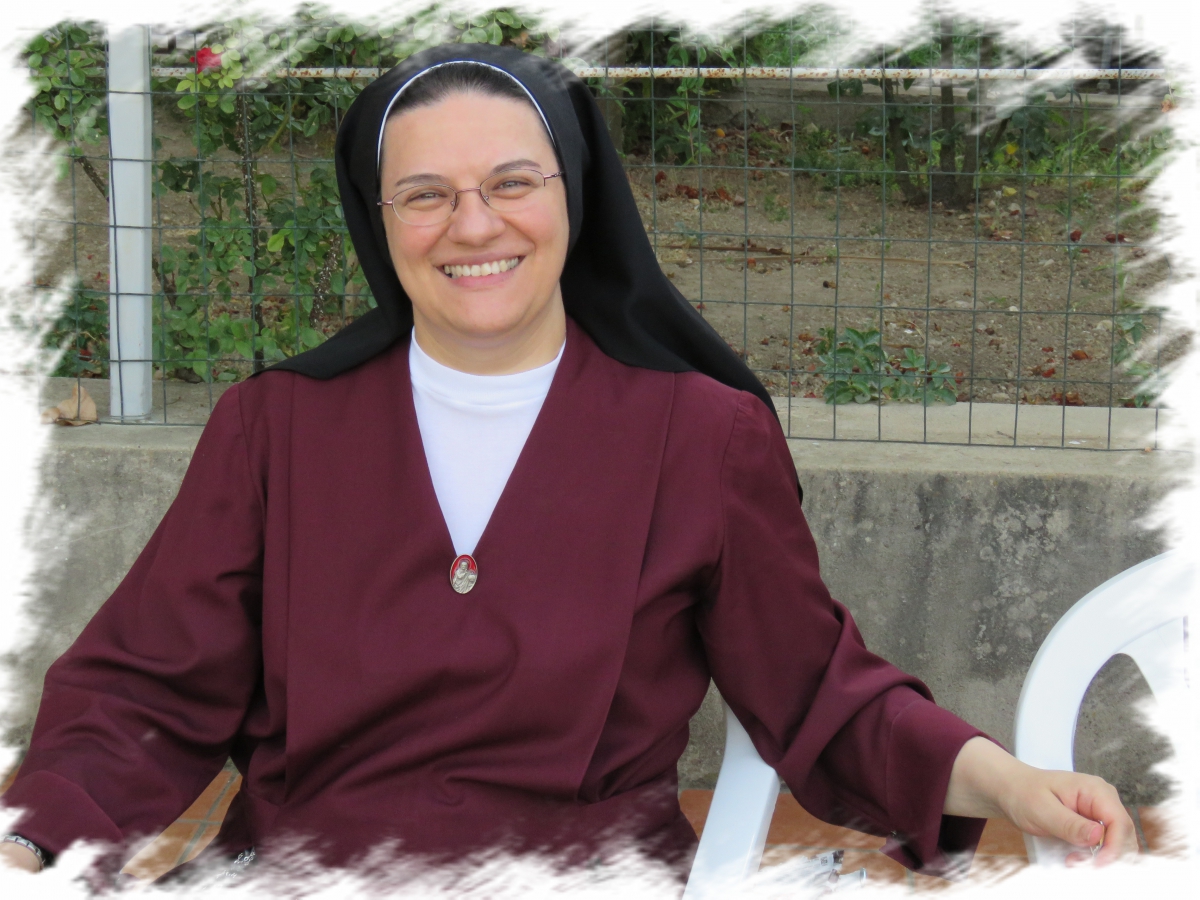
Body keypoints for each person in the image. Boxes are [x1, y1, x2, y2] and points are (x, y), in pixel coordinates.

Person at [1, 43, 1135, 883]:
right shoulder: (276, 428)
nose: (472, 225)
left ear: (572, 197)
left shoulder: (701, 438)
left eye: (512, 182)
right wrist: (32, 841)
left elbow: (816, 689)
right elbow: (142, 689)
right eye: (425, 194)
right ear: (379, 219)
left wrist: (1009, 781)